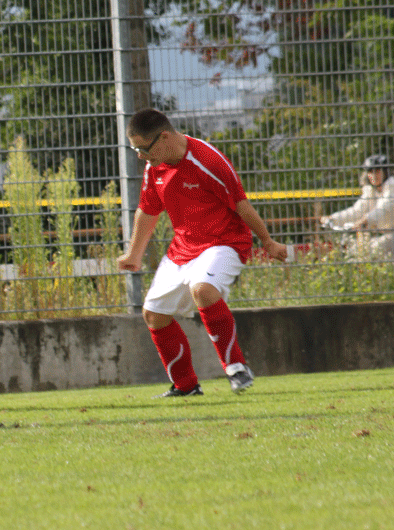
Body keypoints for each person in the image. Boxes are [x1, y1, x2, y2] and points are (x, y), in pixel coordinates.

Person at [116, 109, 288, 397]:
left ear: (165, 138)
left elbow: (241, 205)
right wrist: (134, 253)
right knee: (153, 315)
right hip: (184, 247)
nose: (140, 156)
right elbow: (147, 210)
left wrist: (268, 242)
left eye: (144, 148)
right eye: (135, 149)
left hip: (224, 242)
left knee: (203, 290)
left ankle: (236, 368)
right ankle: (185, 386)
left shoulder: (207, 161)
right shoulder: (154, 166)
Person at [319, 154, 394, 259]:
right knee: (358, 249)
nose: (373, 175)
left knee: (378, 248)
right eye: (370, 172)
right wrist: (332, 218)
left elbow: (383, 209)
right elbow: (356, 211)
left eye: (377, 171)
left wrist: (365, 220)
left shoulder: (393, 186)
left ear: (385, 172)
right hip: (389, 233)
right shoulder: (370, 190)